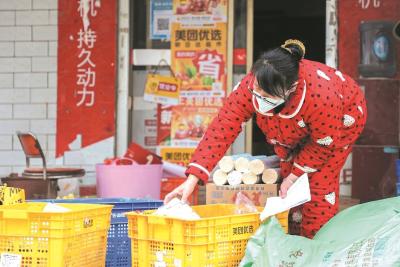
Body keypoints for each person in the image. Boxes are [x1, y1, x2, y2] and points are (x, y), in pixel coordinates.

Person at [164, 39, 367, 238]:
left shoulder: (323, 97)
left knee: (318, 188)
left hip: (339, 123)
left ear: (291, 88)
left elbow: (322, 146)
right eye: (255, 89)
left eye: (265, 93)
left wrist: (296, 174)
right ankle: (292, 249)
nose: (257, 96)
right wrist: (192, 179)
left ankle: (316, 250)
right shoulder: (252, 84)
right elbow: (222, 128)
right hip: (288, 129)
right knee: (289, 194)